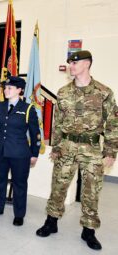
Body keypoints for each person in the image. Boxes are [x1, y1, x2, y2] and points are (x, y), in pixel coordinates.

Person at [36, 50, 118, 250]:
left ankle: (88, 230)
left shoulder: (104, 92)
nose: (70, 66)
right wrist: (55, 147)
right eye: (69, 63)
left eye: (75, 62)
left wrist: (110, 152)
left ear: (87, 63)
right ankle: (51, 222)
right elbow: (57, 122)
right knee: (58, 185)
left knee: (91, 190)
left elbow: (113, 123)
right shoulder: (63, 92)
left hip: (91, 148)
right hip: (66, 146)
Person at [0, 76, 40, 226]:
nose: (6, 90)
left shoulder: (28, 109)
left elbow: (35, 133)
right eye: (5, 88)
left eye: (9, 88)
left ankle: (19, 214)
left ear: (19, 90)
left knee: (19, 184)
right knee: (0, 181)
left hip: (19, 154)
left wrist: (34, 153)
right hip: (0, 151)